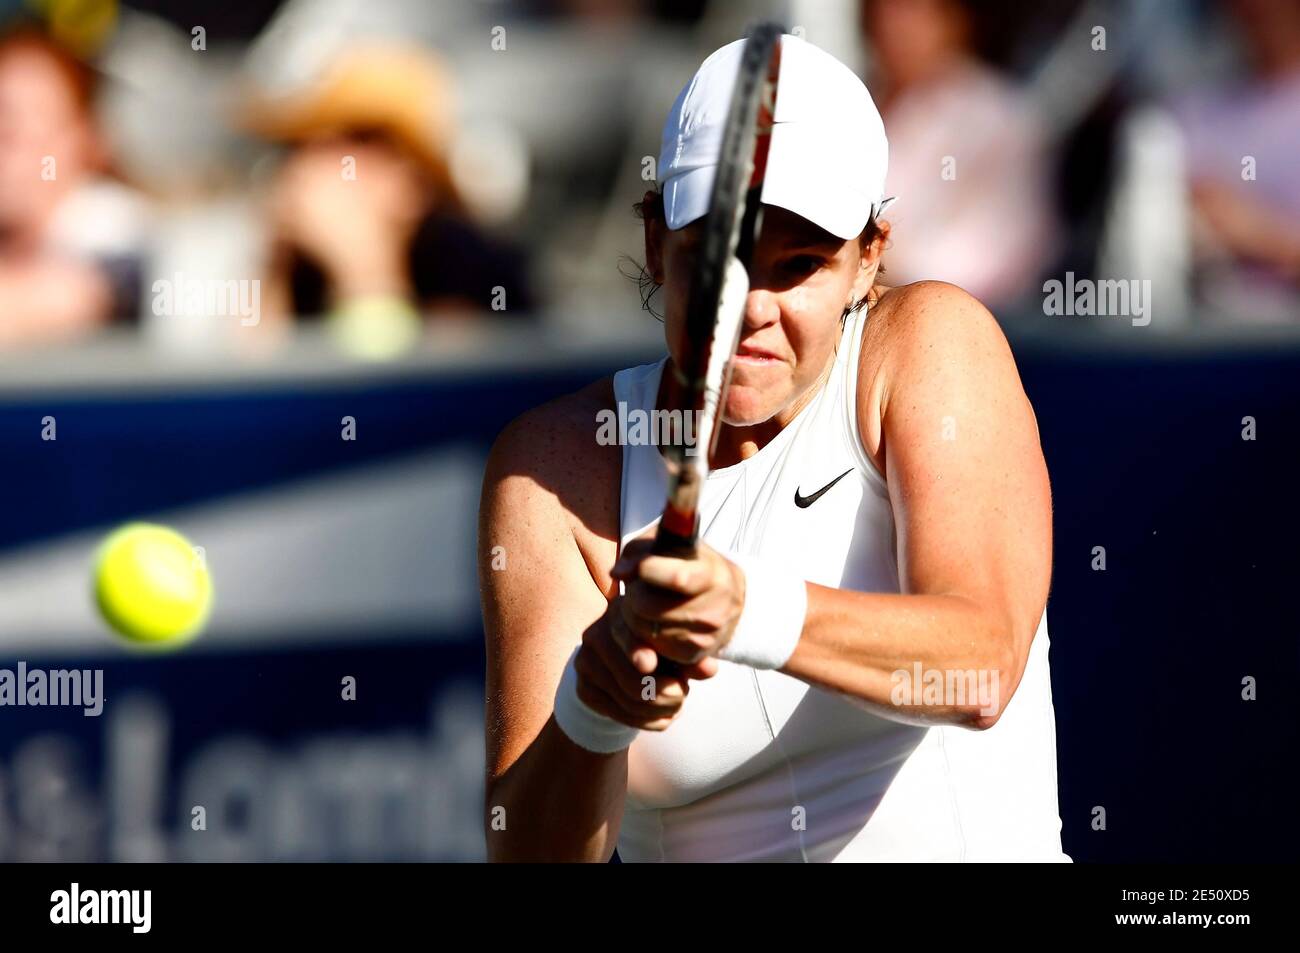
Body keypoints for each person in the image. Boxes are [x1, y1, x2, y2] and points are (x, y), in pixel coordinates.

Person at [480, 34, 1067, 862]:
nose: (750, 306)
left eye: (798, 266)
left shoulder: (932, 343)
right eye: (717, 257)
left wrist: (744, 607)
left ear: (870, 262)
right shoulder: (554, 468)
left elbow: (980, 670)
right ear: (656, 246)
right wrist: (594, 707)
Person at [0, 28, 148, 349]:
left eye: (29, 121)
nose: (8, 145)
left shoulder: (111, 222)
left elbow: (72, 299)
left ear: (86, 139)